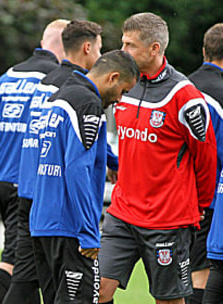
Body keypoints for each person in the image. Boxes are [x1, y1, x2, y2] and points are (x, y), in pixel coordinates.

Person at [98, 12, 218, 304]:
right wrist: (115, 163)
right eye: (122, 43)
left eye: (130, 45)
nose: (122, 51)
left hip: (167, 220)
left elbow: (207, 158)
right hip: (122, 213)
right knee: (96, 290)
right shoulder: (122, 84)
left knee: (168, 300)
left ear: (154, 49)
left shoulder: (185, 95)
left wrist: (199, 205)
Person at [5, 19, 103, 304]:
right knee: (55, 288)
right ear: (87, 47)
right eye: (99, 48)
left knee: (25, 280)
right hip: (53, 199)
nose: (99, 57)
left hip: (31, 192)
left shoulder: (44, 83)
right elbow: (72, 157)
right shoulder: (74, 88)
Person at [0, 19, 69, 303]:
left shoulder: (8, 76)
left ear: (43, 43)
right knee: (16, 261)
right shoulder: (57, 79)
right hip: (29, 182)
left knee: (32, 264)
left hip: (1, 180)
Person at [31, 49, 139, 303]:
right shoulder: (88, 103)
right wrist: (88, 231)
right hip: (70, 227)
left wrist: (111, 161)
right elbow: (76, 169)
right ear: (113, 78)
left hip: (43, 223)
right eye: (123, 91)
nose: (120, 100)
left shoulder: (60, 95)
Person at [188, 23, 223, 303]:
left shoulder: (182, 87)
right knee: (205, 273)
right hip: (211, 200)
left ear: (203, 51)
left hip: (178, 198)